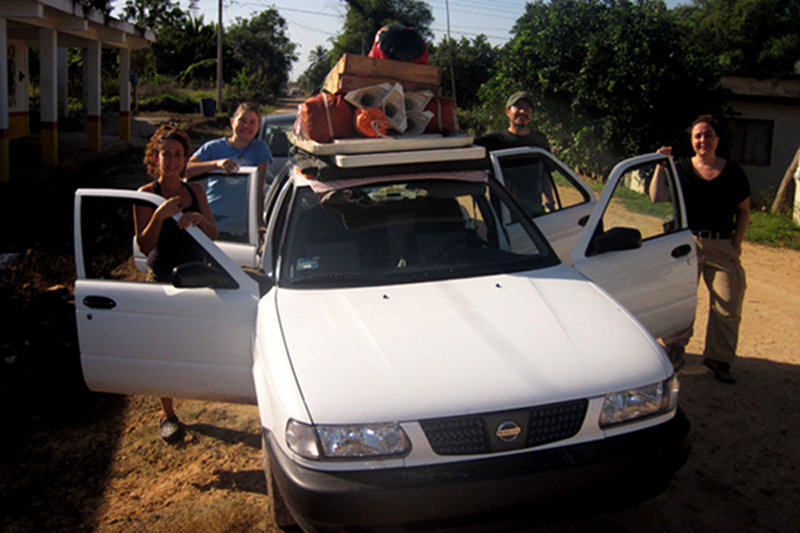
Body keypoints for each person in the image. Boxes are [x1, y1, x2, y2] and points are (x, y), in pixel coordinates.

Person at [134, 124, 219, 442]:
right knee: (163, 346)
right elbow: (144, 245)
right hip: (162, 278)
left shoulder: (195, 191)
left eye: (177, 155)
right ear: (155, 158)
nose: (171, 161)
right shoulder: (145, 195)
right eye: (165, 154)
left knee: (195, 339)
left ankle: (202, 390)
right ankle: (167, 414)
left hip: (197, 274)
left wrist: (200, 221)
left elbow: (214, 234)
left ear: (185, 159)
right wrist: (160, 215)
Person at [650, 115, 750, 384]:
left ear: (717, 139)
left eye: (707, 134)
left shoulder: (733, 172)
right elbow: (657, 196)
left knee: (728, 303)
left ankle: (719, 359)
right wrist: (660, 167)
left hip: (721, 245)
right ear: (691, 141)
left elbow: (744, 211)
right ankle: (675, 348)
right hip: (687, 244)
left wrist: (737, 244)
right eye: (697, 136)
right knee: (682, 300)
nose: (702, 140)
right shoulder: (680, 169)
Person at [186, 102, 273, 235]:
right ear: (232, 122)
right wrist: (216, 164)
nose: (247, 126)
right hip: (214, 217)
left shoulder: (260, 149)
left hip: (244, 223)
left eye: (252, 122)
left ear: (258, 127)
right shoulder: (212, 148)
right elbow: (184, 170)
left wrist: (259, 223)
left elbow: (259, 188)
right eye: (242, 121)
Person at [476, 91, 556, 214]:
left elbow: (545, 174)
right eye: (518, 107)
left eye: (527, 108)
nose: (523, 112)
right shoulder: (493, 141)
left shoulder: (539, 140)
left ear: (532, 114)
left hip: (534, 212)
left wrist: (550, 202)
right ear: (507, 111)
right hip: (503, 213)